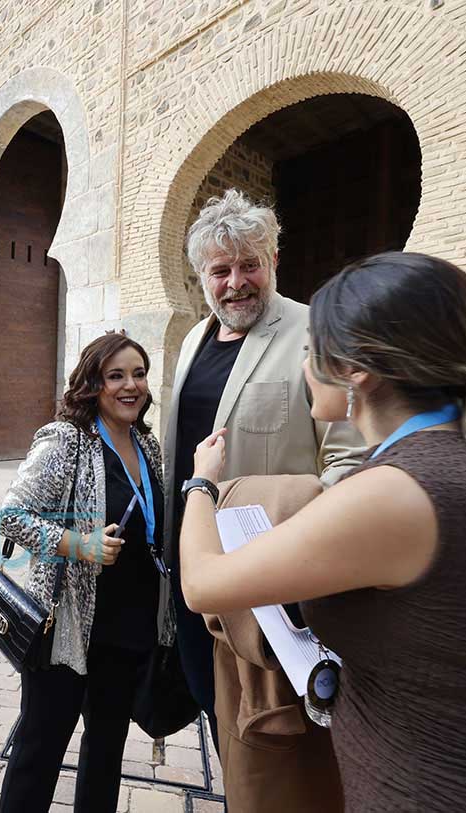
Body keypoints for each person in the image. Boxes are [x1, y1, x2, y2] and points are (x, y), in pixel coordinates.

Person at [180, 252, 466, 812]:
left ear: (356, 369)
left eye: (311, 350)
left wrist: (201, 484)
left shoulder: (398, 492)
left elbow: (202, 583)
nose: (304, 364)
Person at [164, 189, 362, 755]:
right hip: (193, 567)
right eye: (220, 270)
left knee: (271, 738)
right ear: (201, 276)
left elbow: (349, 464)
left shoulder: (314, 332)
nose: (236, 283)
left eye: (249, 265)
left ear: (273, 260)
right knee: (214, 705)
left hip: (268, 589)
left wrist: (301, 554)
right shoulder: (194, 340)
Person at [0, 332, 171, 813]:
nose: (130, 385)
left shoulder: (147, 444)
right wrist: (80, 544)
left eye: (138, 374)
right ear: (93, 384)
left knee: (107, 753)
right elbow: (11, 517)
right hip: (64, 628)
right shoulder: (66, 440)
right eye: (116, 376)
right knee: (39, 751)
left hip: (128, 630)